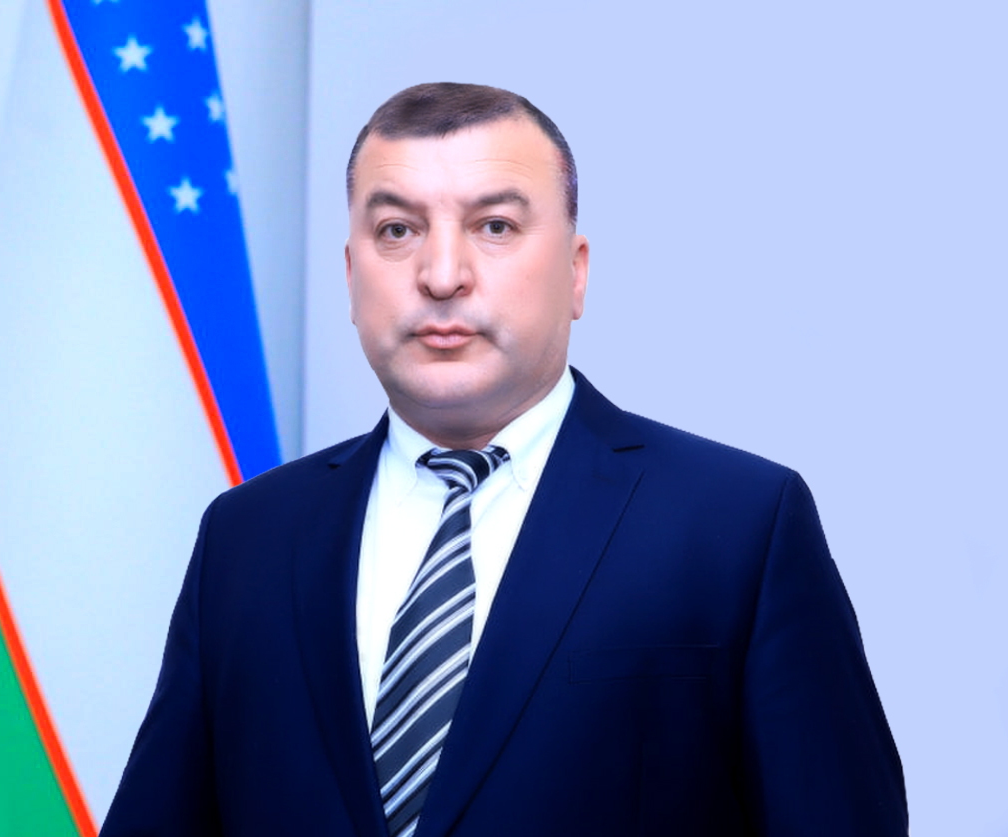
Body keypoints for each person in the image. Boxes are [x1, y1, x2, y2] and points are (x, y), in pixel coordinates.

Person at [100, 82, 907, 836]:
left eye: (494, 226)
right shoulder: (247, 535)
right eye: (396, 230)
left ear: (575, 271)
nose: (441, 275)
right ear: (350, 275)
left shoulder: (735, 525)